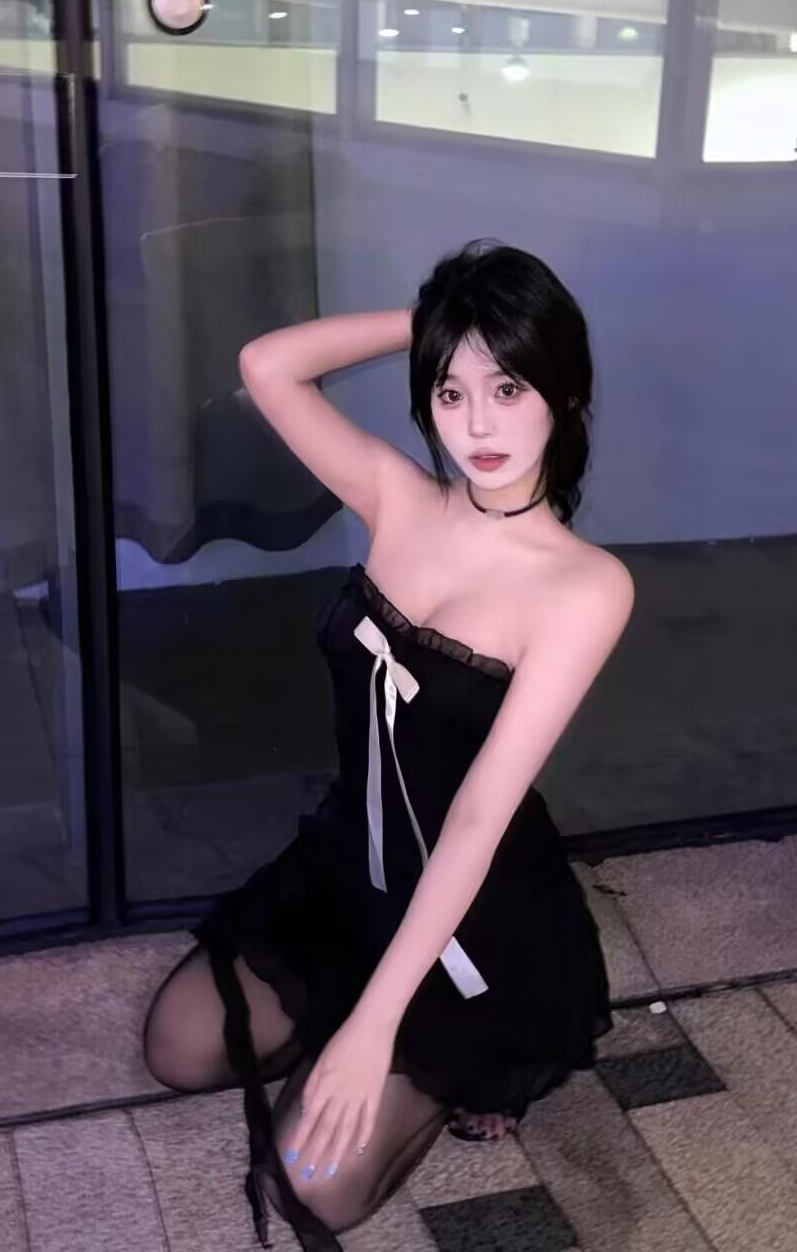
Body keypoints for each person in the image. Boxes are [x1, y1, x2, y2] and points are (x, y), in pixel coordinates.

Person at [141, 239, 635, 1250]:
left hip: (471, 920)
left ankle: (455, 1065)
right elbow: (267, 365)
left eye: (509, 387)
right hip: (343, 875)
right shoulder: (397, 497)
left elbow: (478, 818)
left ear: (566, 389)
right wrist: (443, 324)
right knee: (177, 1051)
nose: (479, 424)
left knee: (311, 1188)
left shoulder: (585, 588)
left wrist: (373, 1029)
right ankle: (344, 1027)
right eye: (451, 393)